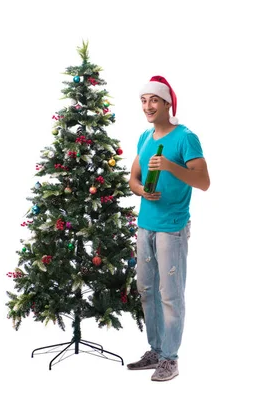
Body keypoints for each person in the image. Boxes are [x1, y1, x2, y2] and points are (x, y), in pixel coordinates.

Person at [127, 75, 210, 381]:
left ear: (167, 104)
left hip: (172, 227)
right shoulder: (145, 138)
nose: (147, 106)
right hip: (145, 225)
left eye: (154, 100)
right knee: (146, 291)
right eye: (144, 100)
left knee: (170, 295)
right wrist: (142, 191)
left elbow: (204, 182)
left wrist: (171, 167)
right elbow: (133, 178)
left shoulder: (185, 137)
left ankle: (170, 359)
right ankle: (156, 350)